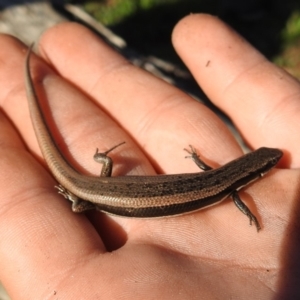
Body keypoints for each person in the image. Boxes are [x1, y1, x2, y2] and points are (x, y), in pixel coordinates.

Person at [0, 14, 299, 299]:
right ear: (254, 172)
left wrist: (195, 158)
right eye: (266, 163)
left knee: (91, 183)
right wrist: (250, 216)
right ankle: (76, 195)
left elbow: (205, 167)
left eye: (268, 162)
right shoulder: (231, 188)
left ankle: (83, 182)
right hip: (92, 196)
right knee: (79, 206)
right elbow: (232, 195)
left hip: (104, 189)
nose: (272, 163)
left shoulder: (218, 177)